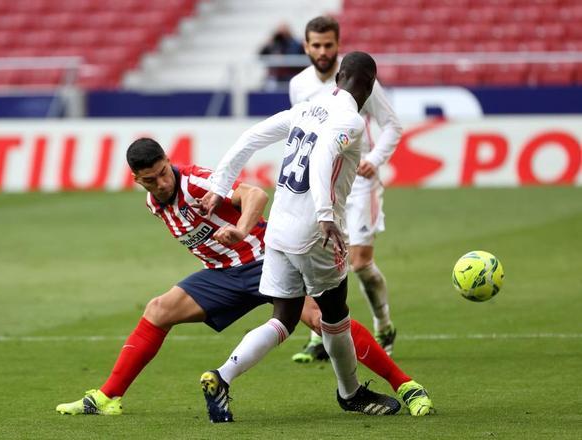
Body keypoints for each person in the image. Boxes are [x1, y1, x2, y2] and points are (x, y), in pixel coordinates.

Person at [55, 137, 429, 417]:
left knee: (324, 320)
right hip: (223, 273)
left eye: (164, 173)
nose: (161, 184)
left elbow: (254, 193)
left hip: (267, 259)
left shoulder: (197, 182)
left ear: (170, 163)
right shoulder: (154, 202)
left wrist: (241, 228)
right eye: (150, 180)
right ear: (138, 180)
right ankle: (108, 397)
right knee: (158, 309)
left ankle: (406, 386)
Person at [196, 52, 432, 423]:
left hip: (278, 229)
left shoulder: (308, 107)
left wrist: (221, 184)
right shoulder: (351, 120)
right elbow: (323, 153)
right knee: (334, 316)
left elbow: (251, 136)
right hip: (313, 234)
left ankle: (221, 377)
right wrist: (325, 215)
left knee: (284, 317)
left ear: (338, 76)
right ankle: (350, 393)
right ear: (369, 87)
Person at [289, 16, 403, 363]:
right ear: (306, 47)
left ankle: (384, 325)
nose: (322, 52)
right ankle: (317, 335)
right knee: (313, 253)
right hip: (323, 183)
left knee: (359, 263)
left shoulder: (357, 79)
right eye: (316, 45)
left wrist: (376, 158)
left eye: (328, 45)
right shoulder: (299, 84)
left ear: (338, 45)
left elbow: (391, 125)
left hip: (359, 181)